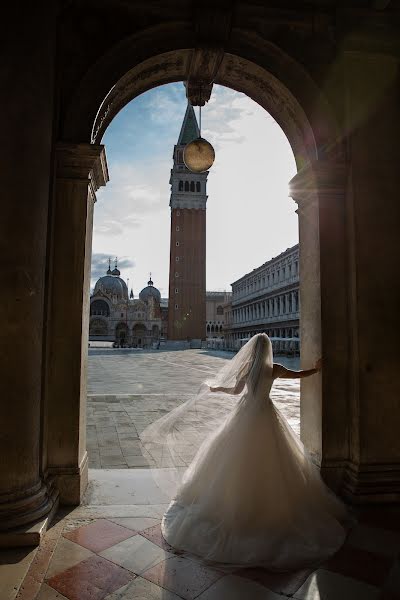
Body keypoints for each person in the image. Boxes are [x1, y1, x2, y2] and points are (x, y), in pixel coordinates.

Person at [141, 333, 353, 570]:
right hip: (265, 414)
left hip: (244, 415)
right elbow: (299, 376)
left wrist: (215, 388)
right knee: (275, 462)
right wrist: (316, 369)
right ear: (269, 350)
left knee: (232, 462)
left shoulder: (247, 369)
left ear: (252, 350)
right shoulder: (275, 369)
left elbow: (234, 391)